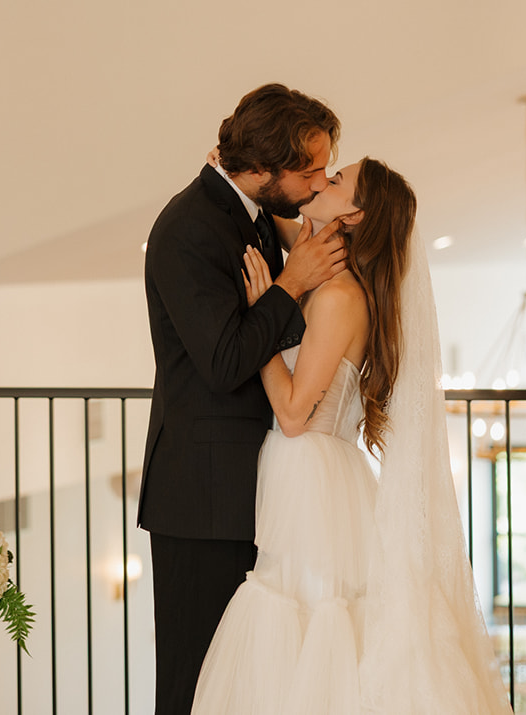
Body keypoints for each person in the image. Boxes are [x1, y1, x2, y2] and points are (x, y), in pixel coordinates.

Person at [191, 157, 511, 715]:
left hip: (309, 470)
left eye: (336, 180)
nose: (321, 181)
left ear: (356, 214)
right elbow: (283, 218)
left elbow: (293, 414)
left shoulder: (338, 298)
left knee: (310, 616)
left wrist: (264, 314)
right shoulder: (327, 271)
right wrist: (239, 164)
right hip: (311, 470)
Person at [138, 83, 350, 715]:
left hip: (252, 487)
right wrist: (292, 282)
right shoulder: (186, 231)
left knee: (248, 686)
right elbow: (226, 360)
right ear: (260, 171)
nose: (318, 182)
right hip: (202, 499)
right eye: (308, 170)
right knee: (195, 684)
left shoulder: (250, 208)